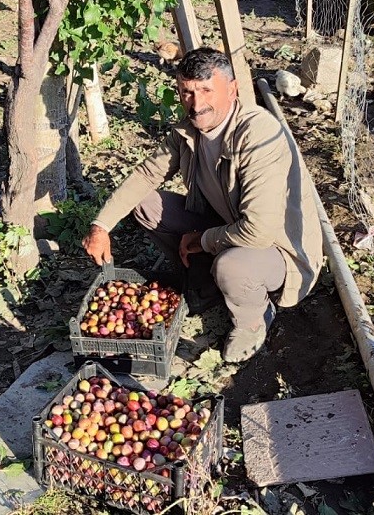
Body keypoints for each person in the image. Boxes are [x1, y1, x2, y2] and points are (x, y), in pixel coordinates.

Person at [82, 48, 324, 363]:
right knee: (146, 205)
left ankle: (254, 319)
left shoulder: (258, 134)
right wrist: (101, 226)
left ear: (233, 90)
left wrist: (204, 239)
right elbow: (146, 174)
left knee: (232, 266)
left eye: (206, 90)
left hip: (278, 250)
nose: (196, 104)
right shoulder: (188, 130)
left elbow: (260, 231)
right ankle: (206, 283)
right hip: (225, 221)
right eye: (187, 92)